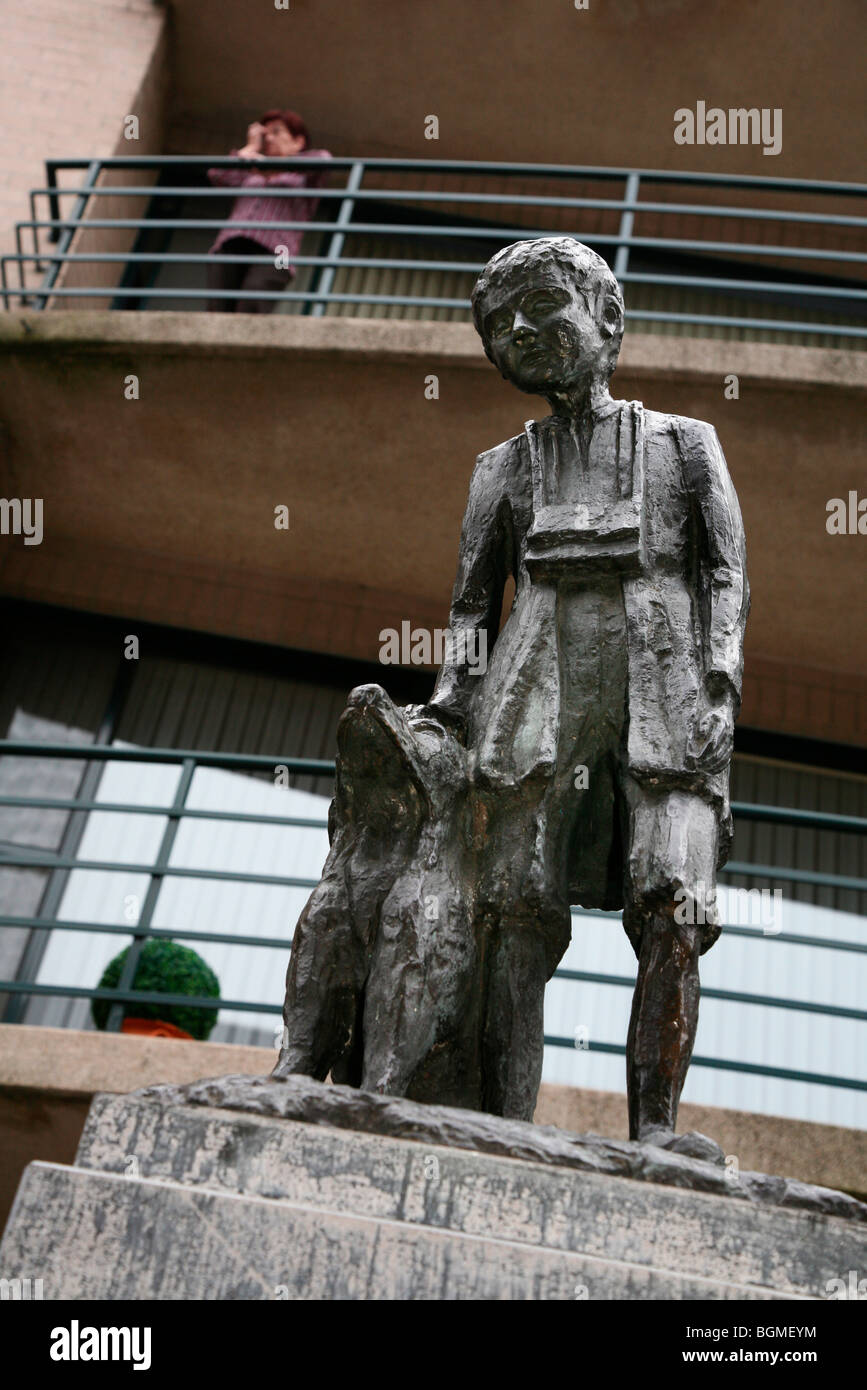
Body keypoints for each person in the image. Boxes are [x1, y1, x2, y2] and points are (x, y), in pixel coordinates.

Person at [206, 109, 331, 313]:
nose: (270, 138)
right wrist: (250, 147)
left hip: (280, 253)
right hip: (231, 243)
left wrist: (272, 166)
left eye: (277, 132)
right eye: (266, 135)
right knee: (217, 310)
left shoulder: (303, 179)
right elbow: (217, 174)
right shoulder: (251, 175)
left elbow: (324, 159)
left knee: (253, 302)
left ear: (298, 142)